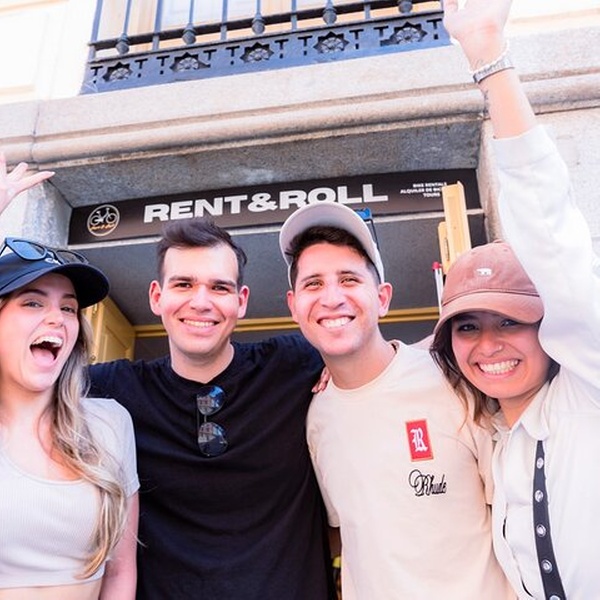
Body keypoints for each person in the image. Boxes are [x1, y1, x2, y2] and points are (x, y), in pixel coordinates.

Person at [430, 0, 600, 598]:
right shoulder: (500, 444)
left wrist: (488, 57)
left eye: (510, 321)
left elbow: (551, 232)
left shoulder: (588, 393)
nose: (488, 345)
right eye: (467, 326)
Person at [87, 217, 335, 599]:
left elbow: (400, 361)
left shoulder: (295, 364)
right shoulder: (113, 392)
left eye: (219, 287)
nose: (201, 302)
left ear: (241, 300)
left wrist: (344, 368)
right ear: (156, 296)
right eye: (183, 284)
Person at [279, 201, 515, 598]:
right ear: (293, 306)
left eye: (349, 279)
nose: (331, 297)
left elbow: (518, 516)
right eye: (313, 283)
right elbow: (349, 536)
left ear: (383, 298)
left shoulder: (454, 382)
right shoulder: (315, 417)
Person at [0, 154, 139, 599]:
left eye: (68, 308)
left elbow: (119, 573)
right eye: (33, 302)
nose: (57, 318)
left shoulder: (109, 423)